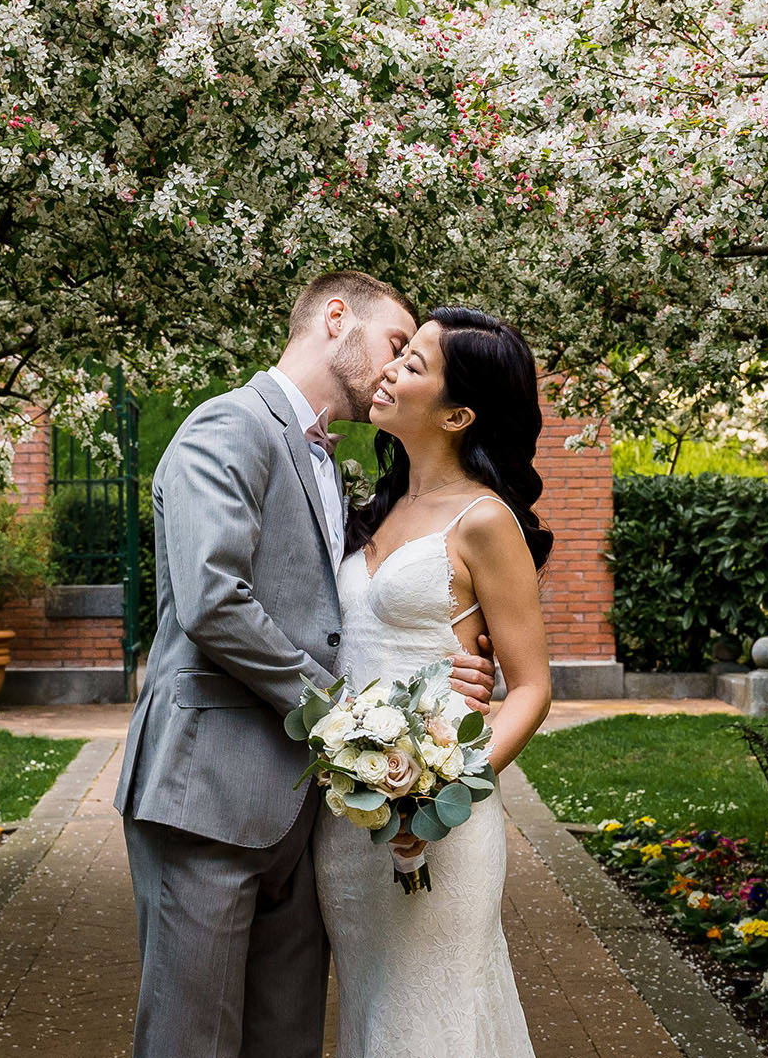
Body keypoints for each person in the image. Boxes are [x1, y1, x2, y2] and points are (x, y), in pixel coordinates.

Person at [115, 271, 501, 1058]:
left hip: (306, 814)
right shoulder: (225, 427)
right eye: (395, 343)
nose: (396, 368)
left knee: (286, 1042)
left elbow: (349, 619)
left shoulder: (330, 463)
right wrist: (347, 716)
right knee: (190, 1042)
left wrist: (446, 672)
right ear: (336, 319)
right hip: (207, 800)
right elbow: (214, 600)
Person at [313, 306, 555, 1058]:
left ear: (458, 413)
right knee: (372, 1017)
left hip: (440, 823)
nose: (387, 369)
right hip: (348, 818)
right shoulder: (369, 509)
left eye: (413, 364)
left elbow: (532, 687)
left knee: (431, 1022)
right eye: (400, 353)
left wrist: (443, 790)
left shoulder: (485, 521)